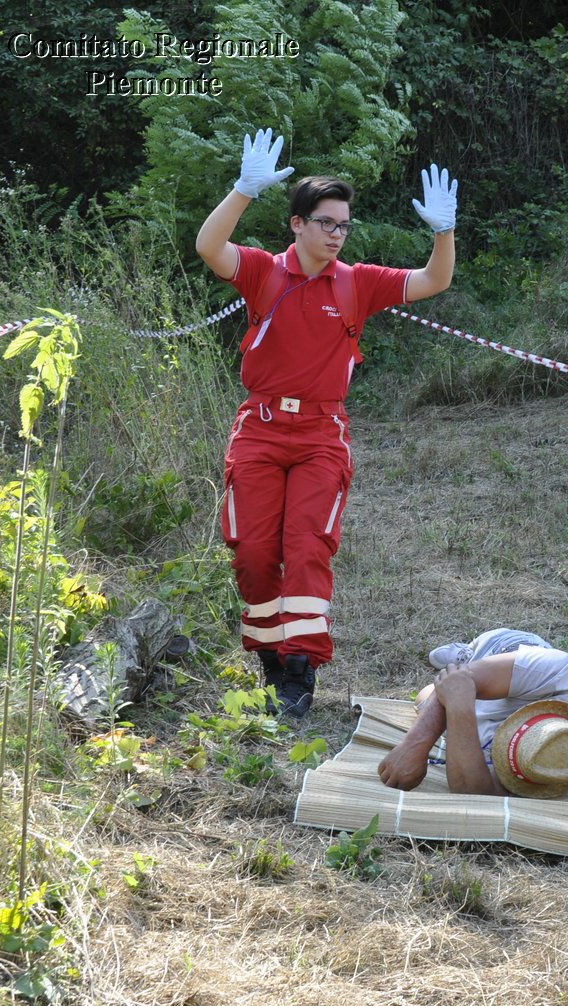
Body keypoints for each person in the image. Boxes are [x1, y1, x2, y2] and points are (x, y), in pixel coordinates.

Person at [196, 128, 458, 716]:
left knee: (307, 545)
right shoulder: (264, 272)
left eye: (344, 225)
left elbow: (433, 280)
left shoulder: (357, 282)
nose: (337, 235)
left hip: (321, 435)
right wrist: (242, 191)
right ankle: (268, 657)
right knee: (256, 553)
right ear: (297, 223)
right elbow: (210, 247)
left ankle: (299, 670)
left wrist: (443, 232)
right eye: (326, 223)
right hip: (260, 429)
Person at [377, 630, 568, 798]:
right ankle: (465, 654)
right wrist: (414, 745)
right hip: (501, 649)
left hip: (475, 703)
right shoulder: (560, 674)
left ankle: (456, 670)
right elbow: (460, 680)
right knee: (462, 672)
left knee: (425, 699)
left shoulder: (546, 767)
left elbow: (472, 793)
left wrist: (459, 705)